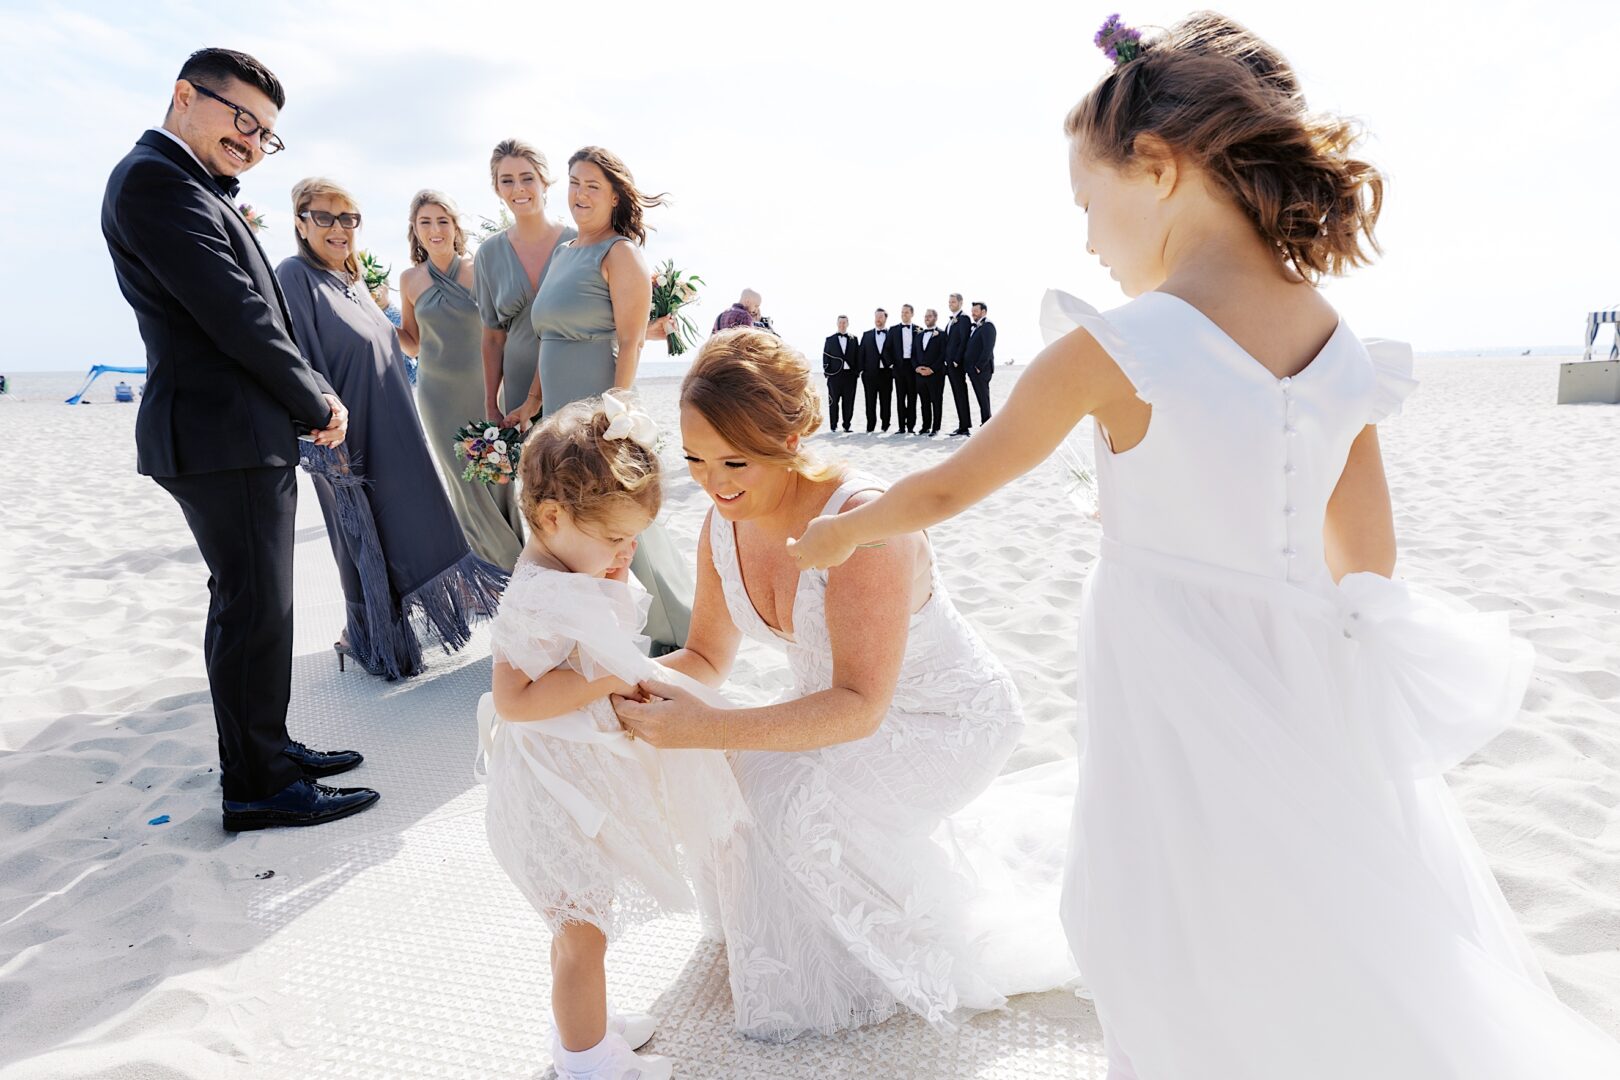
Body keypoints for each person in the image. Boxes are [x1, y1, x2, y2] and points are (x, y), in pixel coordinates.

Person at [786, 12, 1620, 1078]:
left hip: (1167, 667)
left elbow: (953, 482)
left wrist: (847, 532)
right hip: (1306, 663)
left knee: (1149, 905)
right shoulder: (1335, 338)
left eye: (1088, 203)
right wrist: (1347, 633)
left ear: (1158, 167)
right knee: (1318, 894)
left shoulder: (1116, 345)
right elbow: (1367, 548)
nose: (1087, 237)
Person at [613, 329, 1076, 1042]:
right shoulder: (719, 521)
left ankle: (848, 976)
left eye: (735, 460)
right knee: (731, 777)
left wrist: (709, 729)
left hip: (944, 719)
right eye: (696, 460)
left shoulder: (864, 524)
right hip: (835, 711)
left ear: (795, 437)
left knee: (785, 796)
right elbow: (705, 657)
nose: (713, 481)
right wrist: (607, 683)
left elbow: (861, 704)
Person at [101, 47, 376, 831]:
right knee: (253, 608)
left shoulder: (185, 182)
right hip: (218, 432)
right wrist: (313, 397)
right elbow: (235, 313)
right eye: (241, 119)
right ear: (185, 96)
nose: (252, 141)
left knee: (260, 608)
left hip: (232, 429)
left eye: (266, 134)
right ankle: (258, 784)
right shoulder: (156, 180)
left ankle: (271, 751)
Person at [480, 394, 746, 1080]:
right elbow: (514, 700)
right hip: (552, 794)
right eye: (616, 541)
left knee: (578, 928)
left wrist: (609, 584)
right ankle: (585, 1059)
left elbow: (589, 635)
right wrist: (601, 683)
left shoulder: (567, 564)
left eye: (635, 540)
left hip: (571, 779)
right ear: (551, 517)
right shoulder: (539, 595)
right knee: (581, 936)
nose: (626, 555)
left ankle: (584, 1027)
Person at [278, 177, 506, 681]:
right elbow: (293, 354)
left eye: (348, 219)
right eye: (324, 217)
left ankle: (395, 625)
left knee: (413, 519)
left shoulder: (355, 281)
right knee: (362, 535)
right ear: (300, 222)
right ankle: (371, 636)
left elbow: (404, 342)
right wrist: (321, 408)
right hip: (344, 436)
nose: (339, 229)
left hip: (398, 425)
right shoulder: (295, 276)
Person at [499, 147, 691, 654]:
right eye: (574, 183)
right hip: (557, 405)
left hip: (599, 404)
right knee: (576, 519)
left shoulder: (619, 253)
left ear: (613, 197)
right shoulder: (566, 254)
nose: (580, 194)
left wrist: (616, 412)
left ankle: (677, 631)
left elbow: (630, 341)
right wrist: (530, 402)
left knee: (617, 515)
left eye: (592, 187)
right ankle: (584, 630)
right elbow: (547, 337)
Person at [398, 190, 525, 569]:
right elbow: (413, 343)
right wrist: (376, 323)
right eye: (425, 222)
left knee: (499, 477)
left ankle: (517, 558)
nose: (435, 230)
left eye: (442, 220)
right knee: (464, 482)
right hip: (438, 399)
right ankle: (499, 565)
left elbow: (505, 330)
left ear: (455, 227)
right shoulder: (409, 280)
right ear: (414, 230)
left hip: (485, 392)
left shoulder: (480, 268)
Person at [475, 139, 575, 423]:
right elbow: (493, 338)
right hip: (517, 385)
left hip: (572, 375)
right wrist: (491, 404)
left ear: (544, 181)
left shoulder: (578, 243)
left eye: (527, 178)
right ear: (497, 189)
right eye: (507, 180)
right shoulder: (488, 254)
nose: (518, 188)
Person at [857, 307, 895, 432]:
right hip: (870, 374)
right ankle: (870, 425)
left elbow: (895, 352)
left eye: (880, 316)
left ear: (885, 318)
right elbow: (861, 354)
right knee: (870, 401)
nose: (878, 319)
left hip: (886, 373)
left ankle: (885, 425)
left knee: (886, 400)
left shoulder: (891, 334)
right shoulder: (866, 335)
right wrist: (862, 371)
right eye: (876, 316)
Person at [942, 292, 974, 435]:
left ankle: (964, 426)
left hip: (956, 364)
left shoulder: (964, 318)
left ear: (961, 303)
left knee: (961, 393)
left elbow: (963, 341)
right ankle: (962, 424)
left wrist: (956, 360)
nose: (950, 304)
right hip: (949, 364)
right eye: (949, 302)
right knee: (957, 394)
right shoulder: (951, 320)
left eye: (953, 302)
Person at [820, 315, 857, 432]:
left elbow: (858, 356)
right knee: (833, 402)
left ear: (848, 324)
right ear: (837, 323)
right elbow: (825, 358)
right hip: (834, 376)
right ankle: (833, 426)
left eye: (844, 323)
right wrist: (828, 373)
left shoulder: (854, 339)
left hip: (850, 376)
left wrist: (856, 373)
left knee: (849, 402)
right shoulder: (829, 340)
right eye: (840, 322)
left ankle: (847, 426)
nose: (842, 325)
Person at [964, 300, 997, 425]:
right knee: (980, 396)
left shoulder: (988, 326)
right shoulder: (976, 326)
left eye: (976, 311)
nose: (973, 314)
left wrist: (979, 366)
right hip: (973, 369)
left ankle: (987, 422)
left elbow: (988, 348)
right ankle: (985, 422)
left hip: (982, 369)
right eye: (972, 311)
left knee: (983, 396)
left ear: (984, 311)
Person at [915, 308, 947, 435]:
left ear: (935, 318)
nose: (926, 318)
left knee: (936, 401)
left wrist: (932, 369)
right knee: (924, 401)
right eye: (925, 316)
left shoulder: (942, 334)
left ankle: (936, 428)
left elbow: (943, 354)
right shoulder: (919, 335)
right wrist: (917, 368)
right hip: (920, 374)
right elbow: (914, 354)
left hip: (936, 374)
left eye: (929, 316)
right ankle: (925, 426)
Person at [892, 303, 921, 433]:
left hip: (913, 367)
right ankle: (901, 427)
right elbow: (887, 349)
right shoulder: (893, 330)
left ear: (912, 314)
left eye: (906, 313)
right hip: (899, 367)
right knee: (900, 397)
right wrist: (892, 363)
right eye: (902, 312)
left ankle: (911, 426)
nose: (904, 315)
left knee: (912, 397)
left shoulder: (919, 329)